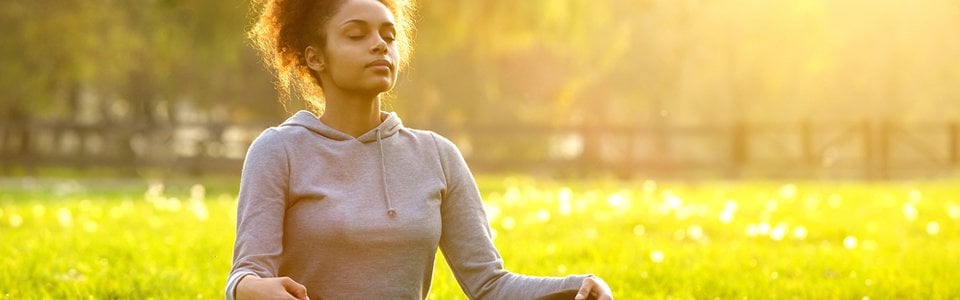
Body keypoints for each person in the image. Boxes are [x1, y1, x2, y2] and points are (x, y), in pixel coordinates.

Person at [225, 0, 615, 299]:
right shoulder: (279, 150)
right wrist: (252, 289)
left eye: (388, 36)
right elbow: (245, 274)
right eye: (357, 34)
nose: (380, 45)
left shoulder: (437, 156)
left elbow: (489, 284)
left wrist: (578, 285)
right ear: (316, 57)